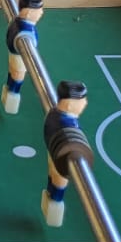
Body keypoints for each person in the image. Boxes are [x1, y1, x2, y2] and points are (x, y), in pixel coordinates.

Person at [41, 80, 89, 227]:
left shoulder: (54, 114)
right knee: (59, 179)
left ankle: (51, 199)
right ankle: (54, 202)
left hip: (54, 148)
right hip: (60, 153)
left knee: (54, 175)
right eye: (81, 101)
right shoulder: (67, 124)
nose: (85, 103)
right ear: (69, 104)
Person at [2, 0, 43, 114]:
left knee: (13, 74)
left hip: (15, 55)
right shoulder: (25, 31)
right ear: (29, 13)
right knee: (17, 76)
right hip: (19, 58)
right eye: (38, 11)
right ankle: (12, 95)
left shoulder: (18, 22)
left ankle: (10, 93)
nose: (41, 13)